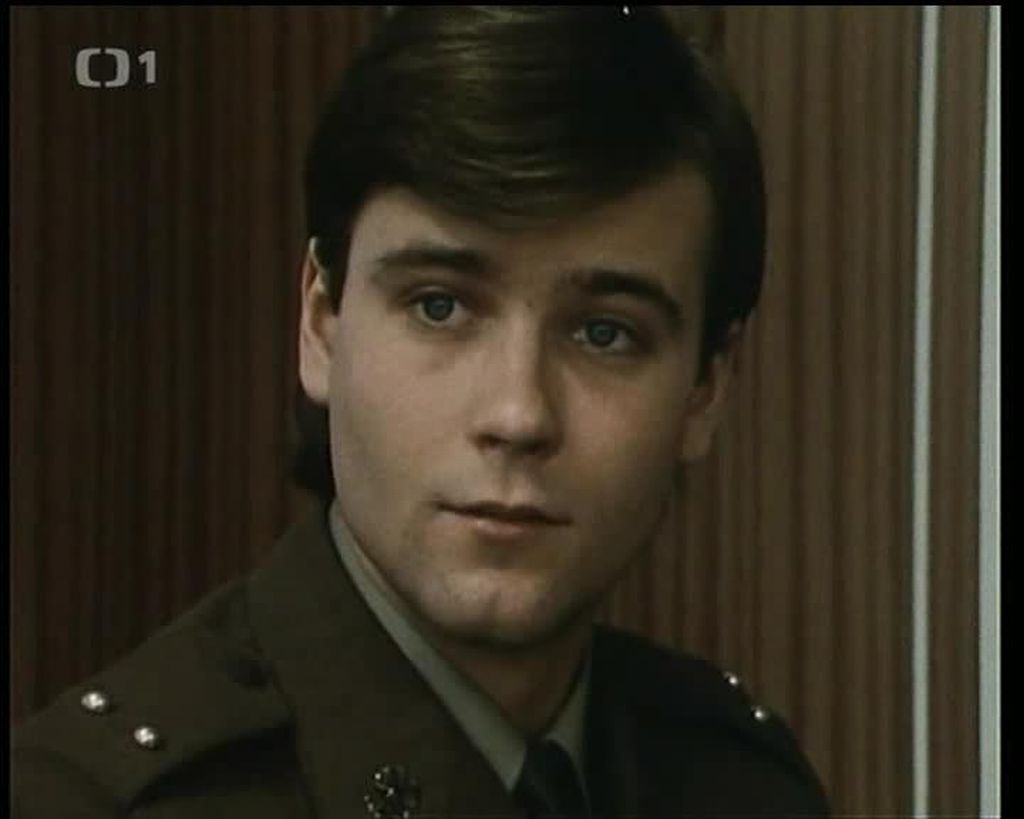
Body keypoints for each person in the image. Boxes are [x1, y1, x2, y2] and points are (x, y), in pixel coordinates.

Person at [13, 7, 830, 817]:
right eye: (440, 306)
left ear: (707, 387)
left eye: (604, 332)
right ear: (321, 323)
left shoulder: (742, 785)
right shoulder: (88, 800)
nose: (518, 413)